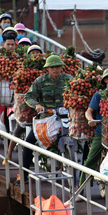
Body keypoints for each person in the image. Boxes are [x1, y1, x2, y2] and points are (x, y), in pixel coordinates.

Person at [18, 55, 72, 183]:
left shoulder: (69, 80)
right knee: (28, 142)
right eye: (52, 67)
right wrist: (36, 105)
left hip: (66, 117)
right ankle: (23, 175)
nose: (55, 70)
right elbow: (29, 96)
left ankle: (83, 176)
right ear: (47, 69)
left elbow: (77, 94)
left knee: (83, 143)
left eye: (58, 67)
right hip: (46, 118)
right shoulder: (40, 81)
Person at [80, 68, 108, 186]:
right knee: (90, 159)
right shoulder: (99, 95)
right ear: (106, 80)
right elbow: (89, 111)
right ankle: (82, 186)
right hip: (102, 132)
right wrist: (91, 119)